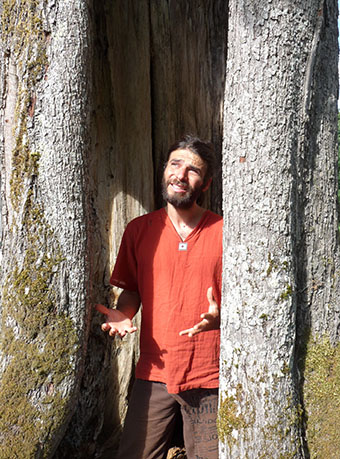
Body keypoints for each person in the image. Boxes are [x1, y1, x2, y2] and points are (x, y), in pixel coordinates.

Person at [96, 135, 223, 459]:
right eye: (175, 164)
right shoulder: (139, 230)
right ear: (164, 170)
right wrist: (124, 313)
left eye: (193, 170)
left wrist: (224, 318)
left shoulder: (225, 231)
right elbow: (133, 289)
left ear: (206, 184)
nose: (181, 174)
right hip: (155, 371)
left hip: (211, 375)